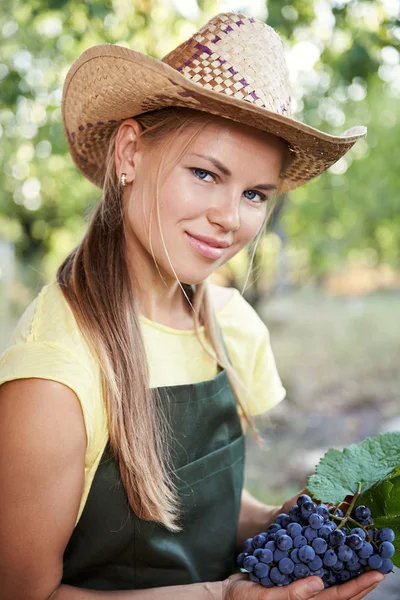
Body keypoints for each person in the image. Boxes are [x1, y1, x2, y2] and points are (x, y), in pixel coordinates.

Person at [0, 11, 383, 600]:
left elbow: (204, 510)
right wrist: (219, 596)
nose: (231, 219)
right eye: (205, 173)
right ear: (129, 154)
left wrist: (279, 521)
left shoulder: (230, 328)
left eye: (255, 193)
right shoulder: (54, 376)